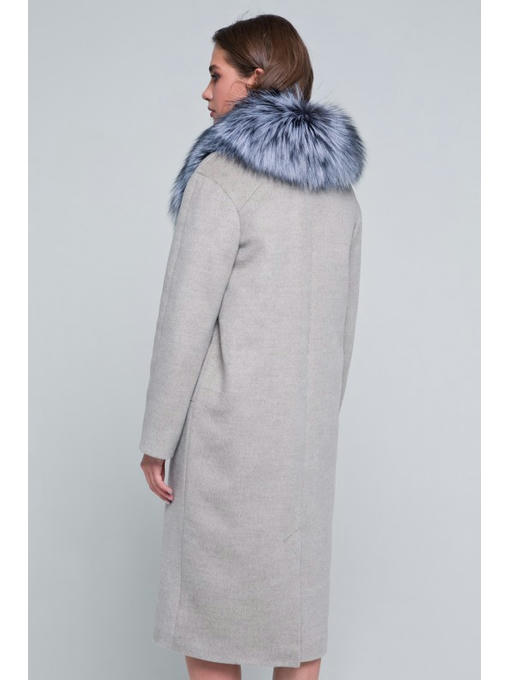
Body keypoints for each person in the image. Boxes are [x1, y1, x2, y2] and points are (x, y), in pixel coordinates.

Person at [139, 13, 365, 680]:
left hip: (226, 443)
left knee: (210, 620)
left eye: (216, 75)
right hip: (305, 445)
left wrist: (156, 439)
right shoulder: (340, 194)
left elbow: (184, 320)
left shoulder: (220, 180)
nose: (205, 91)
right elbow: (344, 328)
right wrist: (316, 419)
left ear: (255, 79)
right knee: (296, 622)